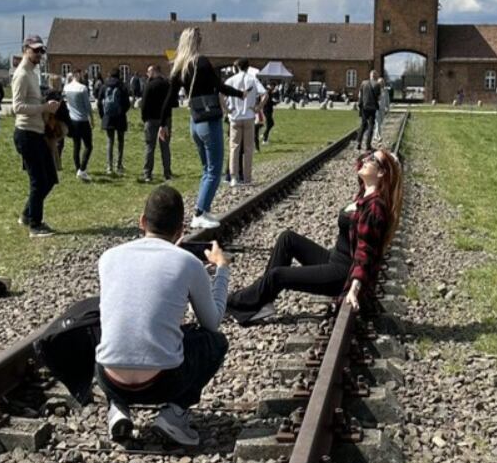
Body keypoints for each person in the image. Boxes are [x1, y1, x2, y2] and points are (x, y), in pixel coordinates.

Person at [94, 186, 230, 445]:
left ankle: (118, 408)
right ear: (180, 230)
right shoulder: (188, 263)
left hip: (108, 377)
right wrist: (221, 268)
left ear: (142, 221)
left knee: (112, 327)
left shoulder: (108, 258)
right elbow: (212, 323)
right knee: (215, 342)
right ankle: (174, 415)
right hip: (164, 382)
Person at [228, 148, 403, 325]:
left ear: (381, 172)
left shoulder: (374, 208)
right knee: (287, 239)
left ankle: (231, 302)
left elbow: (365, 253)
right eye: (368, 156)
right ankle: (264, 302)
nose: (366, 159)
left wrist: (354, 289)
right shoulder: (364, 191)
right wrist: (381, 156)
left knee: (277, 276)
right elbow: (360, 161)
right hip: (333, 259)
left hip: (343, 274)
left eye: (372, 159)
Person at [160, 28, 245, 230]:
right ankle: (199, 212)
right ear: (196, 41)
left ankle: (203, 209)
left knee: (206, 169)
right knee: (214, 170)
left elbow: (169, 98)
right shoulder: (202, 62)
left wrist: (162, 124)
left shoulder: (179, 66)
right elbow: (219, 86)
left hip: (195, 122)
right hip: (210, 121)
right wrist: (240, 94)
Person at [11, 35, 60, 237]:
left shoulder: (32, 73)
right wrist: (43, 107)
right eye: (35, 50)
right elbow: (17, 107)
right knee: (38, 180)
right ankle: (35, 225)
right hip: (26, 132)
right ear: (25, 50)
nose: (39, 54)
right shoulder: (22, 74)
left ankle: (26, 215)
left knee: (49, 178)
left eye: (41, 50)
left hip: (36, 132)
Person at [225, 59, 264, 187]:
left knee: (234, 147)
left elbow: (220, 94)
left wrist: (226, 109)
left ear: (237, 67)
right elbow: (265, 94)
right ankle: (247, 178)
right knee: (248, 148)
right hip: (249, 117)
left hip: (235, 117)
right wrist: (258, 107)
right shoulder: (252, 80)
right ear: (248, 68)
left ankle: (233, 178)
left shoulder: (231, 80)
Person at [140, 64, 173, 183]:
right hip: (165, 120)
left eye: (148, 72)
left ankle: (147, 174)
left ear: (153, 71)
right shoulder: (167, 85)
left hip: (151, 119)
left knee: (150, 147)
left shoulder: (149, 85)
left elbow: (143, 104)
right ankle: (167, 173)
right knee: (165, 147)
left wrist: (144, 118)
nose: (147, 75)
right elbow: (172, 103)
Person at [98, 68, 131, 175]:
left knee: (109, 141)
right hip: (120, 117)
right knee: (120, 141)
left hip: (108, 117)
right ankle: (119, 165)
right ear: (119, 75)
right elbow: (127, 103)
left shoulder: (104, 86)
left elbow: (99, 102)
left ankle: (109, 167)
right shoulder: (122, 86)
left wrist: (102, 115)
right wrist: (122, 111)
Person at [63, 70, 95, 181]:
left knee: (76, 146)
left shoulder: (66, 88)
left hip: (73, 120)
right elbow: (87, 106)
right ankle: (82, 169)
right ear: (78, 76)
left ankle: (78, 169)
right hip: (83, 120)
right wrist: (92, 118)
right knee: (89, 146)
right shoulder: (82, 88)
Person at [44, 74, 70, 171]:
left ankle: (54, 164)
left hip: (46, 122)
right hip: (56, 123)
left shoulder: (45, 94)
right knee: (56, 146)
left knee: (50, 145)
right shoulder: (56, 96)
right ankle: (55, 165)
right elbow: (62, 111)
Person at [355, 70, 380, 150]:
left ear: (370, 75)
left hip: (364, 107)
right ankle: (367, 145)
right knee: (371, 126)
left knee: (363, 125)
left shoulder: (363, 83)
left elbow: (360, 95)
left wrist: (360, 105)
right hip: (372, 108)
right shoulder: (377, 85)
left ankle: (358, 143)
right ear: (375, 76)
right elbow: (378, 97)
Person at [374, 76, 390, 145]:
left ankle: (375, 135)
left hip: (383, 109)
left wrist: (387, 107)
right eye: (380, 83)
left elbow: (387, 100)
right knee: (378, 122)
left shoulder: (385, 91)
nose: (381, 84)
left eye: (382, 82)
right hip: (376, 108)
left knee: (380, 122)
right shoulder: (375, 90)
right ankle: (379, 137)